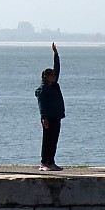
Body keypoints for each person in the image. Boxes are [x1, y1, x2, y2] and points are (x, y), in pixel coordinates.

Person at [35, 42, 65, 171]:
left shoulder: (53, 85)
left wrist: (56, 54)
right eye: (52, 75)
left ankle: (51, 161)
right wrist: (44, 118)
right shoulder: (43, 89)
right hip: (48, 118)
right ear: (46, 77)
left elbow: (57, 69)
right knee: (47, 140)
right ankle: (44, 162)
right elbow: (42, 105)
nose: (54, 76)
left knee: (54, 140)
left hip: (56, 116)